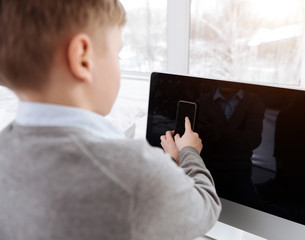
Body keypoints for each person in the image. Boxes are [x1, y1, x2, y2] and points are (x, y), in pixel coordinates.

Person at [0, 1, 221, 240]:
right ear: (83, 58)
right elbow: (206, 206)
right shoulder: (135, 171)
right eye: (117, 54)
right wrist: (189, 150)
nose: (118, 63)